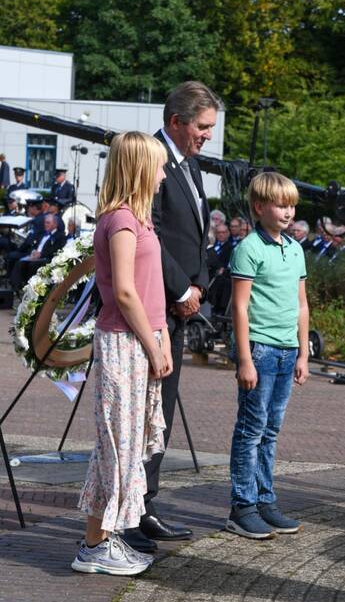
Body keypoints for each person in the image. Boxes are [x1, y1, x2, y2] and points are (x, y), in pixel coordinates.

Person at [122, 81, 219, 553]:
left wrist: (199, 284)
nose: (207, 137)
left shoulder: (190, 164)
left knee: (161, 409)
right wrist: (181, 288)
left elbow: (198, 235)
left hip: (182, 305)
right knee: (142, 411)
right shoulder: (151, 162)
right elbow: (149, 233)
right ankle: (131, 510)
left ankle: (148, 505)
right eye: (202, 128)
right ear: (177, 121)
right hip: (155, 306)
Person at [72, 132, 171, 576]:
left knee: (125, 445)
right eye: (159, 166)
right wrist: (152, 343)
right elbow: (126, 292)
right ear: (138, 168)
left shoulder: (138, 219)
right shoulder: (122, 220)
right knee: (117, 444)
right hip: (124, 341)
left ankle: (100, 539)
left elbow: (149, 293)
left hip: (139, 337)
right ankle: (96, 544)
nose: (164, 174)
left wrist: (162, 332)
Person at [226, 171, 309, 539]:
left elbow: (301, 304)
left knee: (271, 429)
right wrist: (244, 358)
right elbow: (240, 308)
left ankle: (265, 499)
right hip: (259, 350)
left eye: (292, 205)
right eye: (280, 204)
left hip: (287, 350)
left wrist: (303, 350)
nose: (288, 211)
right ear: (259, 207)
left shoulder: (295, 248)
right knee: (251, 429)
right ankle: (242, 505)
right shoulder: (248, 249)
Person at [10, 212, 66, 293]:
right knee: (20, 262)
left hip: (46, 258)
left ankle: (33, 288)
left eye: (48, 223)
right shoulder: (42, 233)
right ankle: (16, 287)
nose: (45, 224)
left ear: (55, 224)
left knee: (32, 265)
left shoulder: (60, 236)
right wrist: (33, 251)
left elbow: (56, 249)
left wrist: (41, 254)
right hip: (34, 257)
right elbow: (35, 245)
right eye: (45, 222)